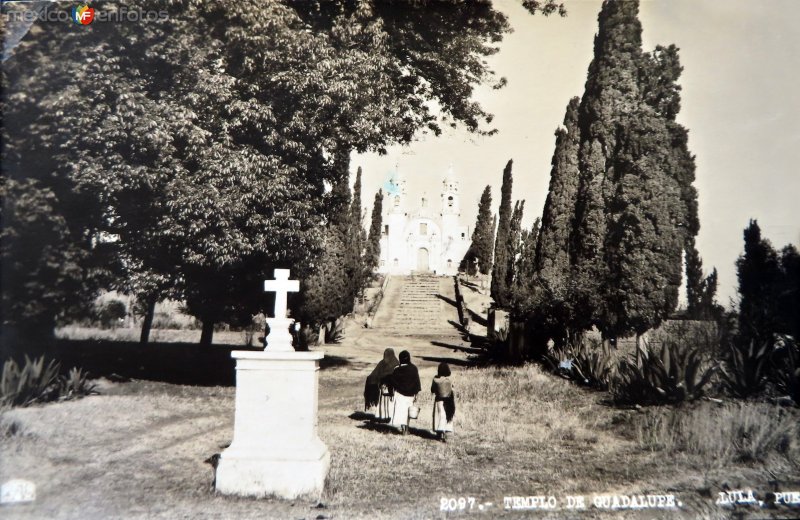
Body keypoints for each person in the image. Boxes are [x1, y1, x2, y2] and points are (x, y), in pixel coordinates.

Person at [386, 350, 421, 434]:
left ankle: (403, 429)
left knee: (402, 412)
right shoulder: (414, 368)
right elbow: (417, 382)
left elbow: (391, 381)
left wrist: (391, 393)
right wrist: (416, 394)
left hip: (400, 394)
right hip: (410, 395)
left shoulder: (397, 369)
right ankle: (407, 429)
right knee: (408, 413)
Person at [364, 348, 399, 421]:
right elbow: (375, 374)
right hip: (386, 389)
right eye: (384, 355)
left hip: (389, 388)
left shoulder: (394, 364)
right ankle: (386, 417)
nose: (385, 357)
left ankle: (387, 417)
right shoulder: (384, 363)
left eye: (387, 355)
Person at [431, 362, 455, 442]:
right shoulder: (450, 379)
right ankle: (447, 432)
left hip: (439, 400)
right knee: (448, 415)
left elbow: (432, 390)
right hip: (449, 400)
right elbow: (453, 389)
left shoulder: (435, 379)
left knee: (440, 416)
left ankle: (440, 433)